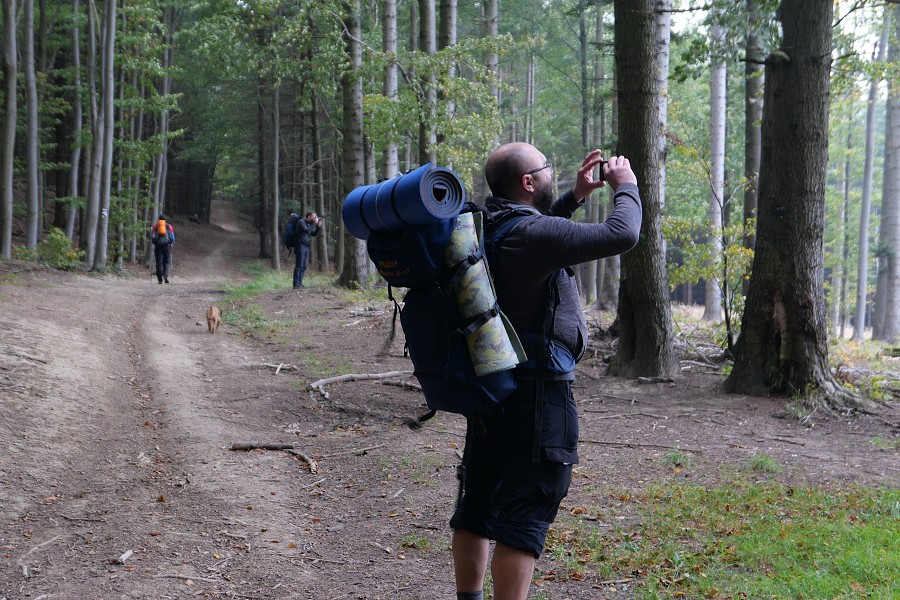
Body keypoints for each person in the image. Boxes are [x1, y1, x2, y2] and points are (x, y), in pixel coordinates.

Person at [450, 143, 642, 600]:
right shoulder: (534, 236)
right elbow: (622, 234)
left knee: (477, 504)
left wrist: (573, 197)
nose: (552, 172)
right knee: (525, 516)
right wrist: (626, 186)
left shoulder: (485, 227)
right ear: (528, 183)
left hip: (492, 387)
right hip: (536, 396)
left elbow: (536, 233)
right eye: (546, 168)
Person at [293, 211, 322, 289]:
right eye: (314, 217)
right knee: (299, 265)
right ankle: (295, 284)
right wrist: (314, 224)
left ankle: (300, 283)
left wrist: (318, 227)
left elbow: (313, 234)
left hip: (305, 246)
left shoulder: (308, 224)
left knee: (304, 266)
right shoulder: (301, 222)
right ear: (308, 216)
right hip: (299, 245)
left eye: (316, 217)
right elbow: (307, 230)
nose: (315, 218)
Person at [150, 214, 175, 284]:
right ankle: (165, 275)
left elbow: (152, 236)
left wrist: (154, 242)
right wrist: (171, 242)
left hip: (158, 245)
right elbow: (172, 237)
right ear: (165, 220)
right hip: (167, 245)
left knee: (158, 262)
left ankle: (160, 280)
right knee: (166, 261)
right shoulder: (169, 226)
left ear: (159, 219)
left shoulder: (155, 226)